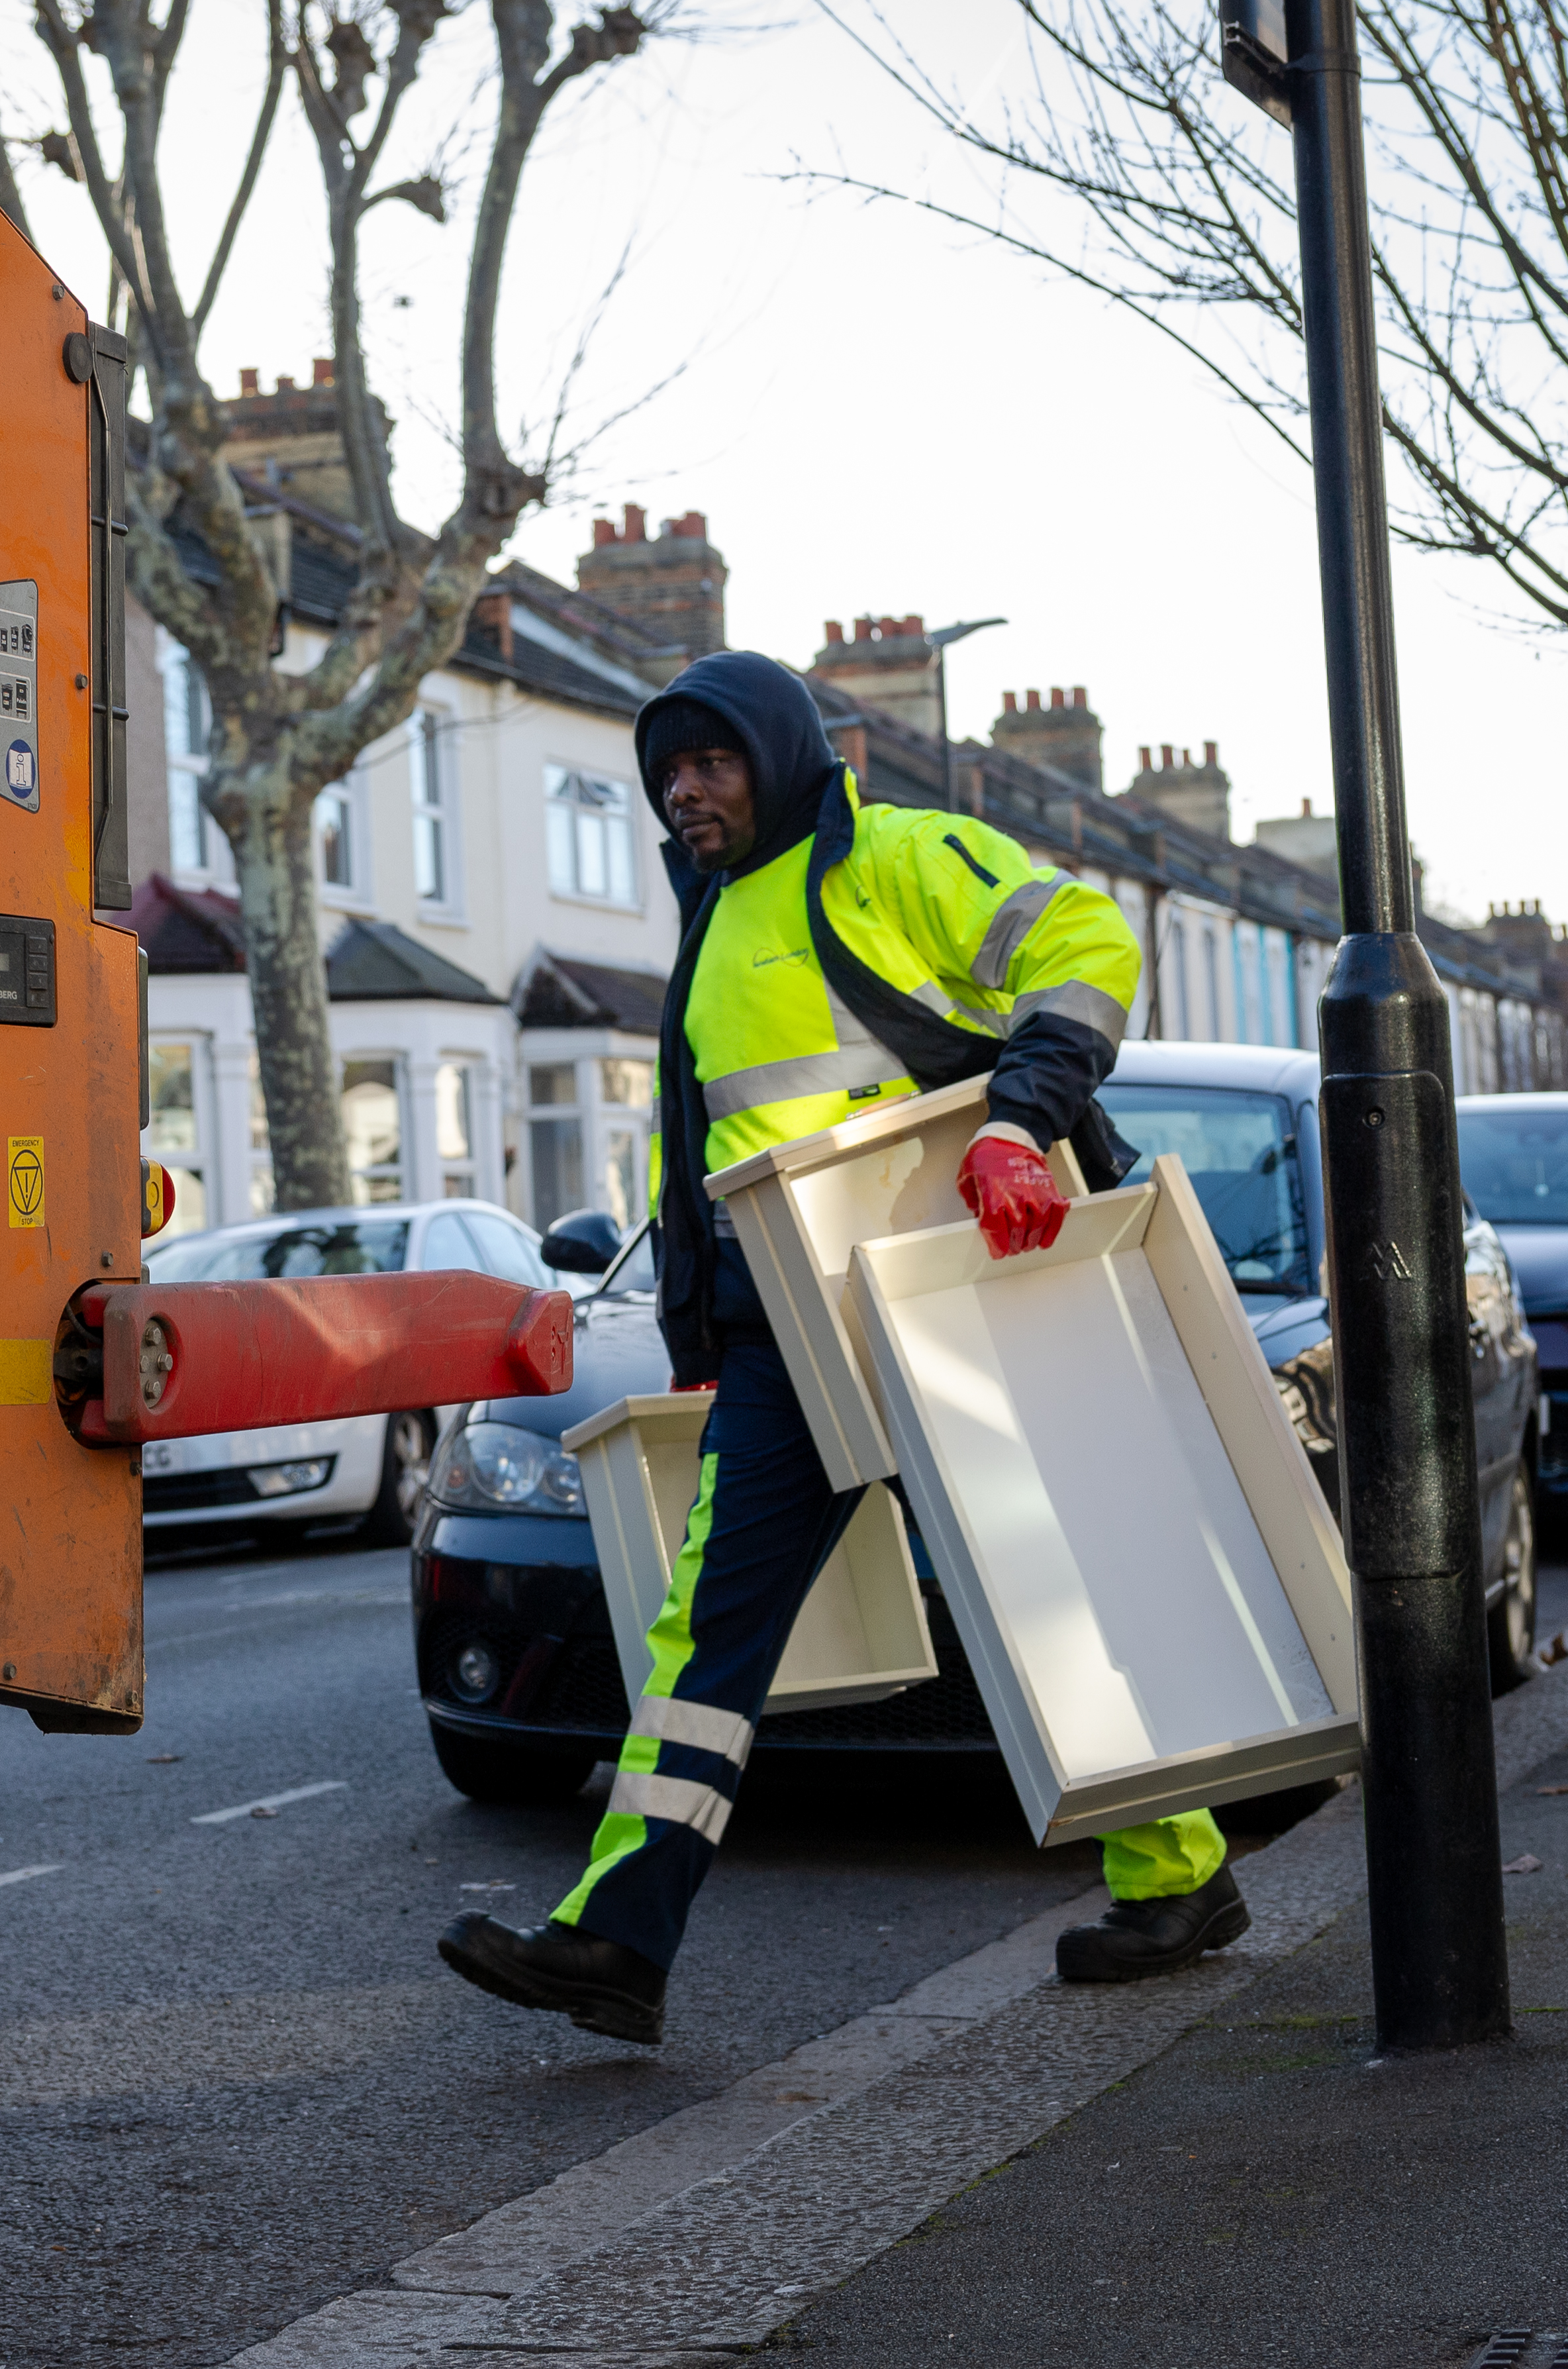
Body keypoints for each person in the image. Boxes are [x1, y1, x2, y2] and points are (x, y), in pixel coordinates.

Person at [436, 651, 1248, 2048]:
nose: (686, 791)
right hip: (784, 1331)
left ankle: (1177, 1870)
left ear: (777, 751)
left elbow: (1090, 947)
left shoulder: (890, 856)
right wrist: (697, 1333)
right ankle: (616, 1939)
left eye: (712, 763)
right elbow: (706, 1154)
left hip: (941, 1285)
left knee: (1050, 1573)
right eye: (668, 773)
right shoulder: (713, 914)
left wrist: (1015, 1116)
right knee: (709, 1626)